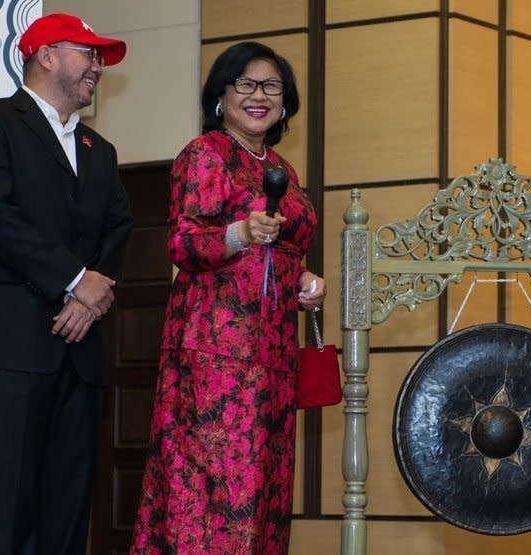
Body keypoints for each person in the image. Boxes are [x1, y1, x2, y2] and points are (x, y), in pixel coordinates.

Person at [130, 41, 326, 554]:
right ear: (221, 95)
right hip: (217, 352)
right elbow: (180, 242)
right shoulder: (206, 154)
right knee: (217, 491)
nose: (259, 95)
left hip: (274, 350)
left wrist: (304, 280)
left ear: (286, 101)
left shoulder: (282, 165)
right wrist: (240, 233)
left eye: (272, 87)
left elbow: (281, 251)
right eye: (246, 84)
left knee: (266, 489)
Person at [0, 13, 133, 555]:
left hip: (81, 353)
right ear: (46, 54)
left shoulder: (101, 148)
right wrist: (76, 281)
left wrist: (92, 296)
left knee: (67, 511)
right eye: (89, 53)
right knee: (3, 507)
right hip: (12, 345)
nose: (98, 66)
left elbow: (119, 226)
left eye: (101, 57)